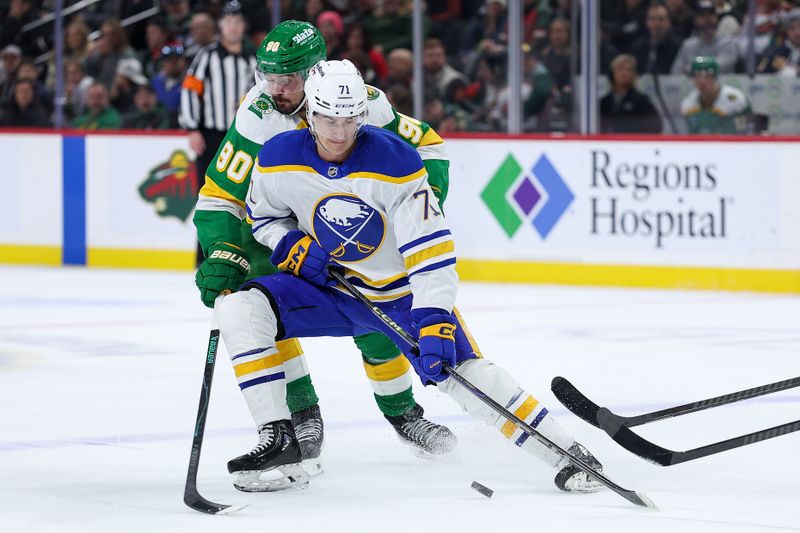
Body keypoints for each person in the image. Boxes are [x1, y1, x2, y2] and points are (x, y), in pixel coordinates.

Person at [214, 59, 605, 494]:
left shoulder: (395, 161)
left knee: (464, 375)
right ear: (309, 114)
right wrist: (289, 244)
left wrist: (434, 314)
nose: (340, 133)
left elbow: (431, 250)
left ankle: (568, 453)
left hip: (398, 296)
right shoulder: (278, 157)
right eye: (328, 119)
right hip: (329, 290)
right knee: (240, 309)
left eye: (350, 120)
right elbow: (263, 216)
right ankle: (280, 441)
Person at [192, 20, 456, 492]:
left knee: (378, 312)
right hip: (280, 226)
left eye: (288, 78)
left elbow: (429, 148)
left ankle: (403, 414)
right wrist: (225, 250)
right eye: (268, 75)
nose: (276, 89)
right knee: (258, 310)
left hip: (347, 226)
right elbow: (219, 196)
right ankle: (299, 419)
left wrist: (412, 214)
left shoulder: (362, 104)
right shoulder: (258, 113)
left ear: (315, 72)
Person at [179, 0, 255, 263]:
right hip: (211, 135)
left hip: (242, 137)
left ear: (243, 26)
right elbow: (190, 89)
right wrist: (192, 127)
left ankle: (242, 253)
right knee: (209, 196)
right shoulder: (207, 56)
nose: (233, 28)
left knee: (245, 197)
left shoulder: (251, 59)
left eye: (237, 22)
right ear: (220, 26)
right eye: (228, 22)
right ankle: (205, 257)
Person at [680, 55, 750, 134]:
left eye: (707, 76)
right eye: (697, 76)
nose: (701, 81)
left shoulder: (735, 99)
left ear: (715, 77)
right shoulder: (688, 103)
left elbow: (744, 131)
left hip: (731, 144)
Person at [600, 54, 662, 134]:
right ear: (612, 73)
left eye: (628, 70)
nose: (624, 73)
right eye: (620, 69)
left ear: (634, 74)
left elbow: (655, 126)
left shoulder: (642, 101)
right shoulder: (604, 102)